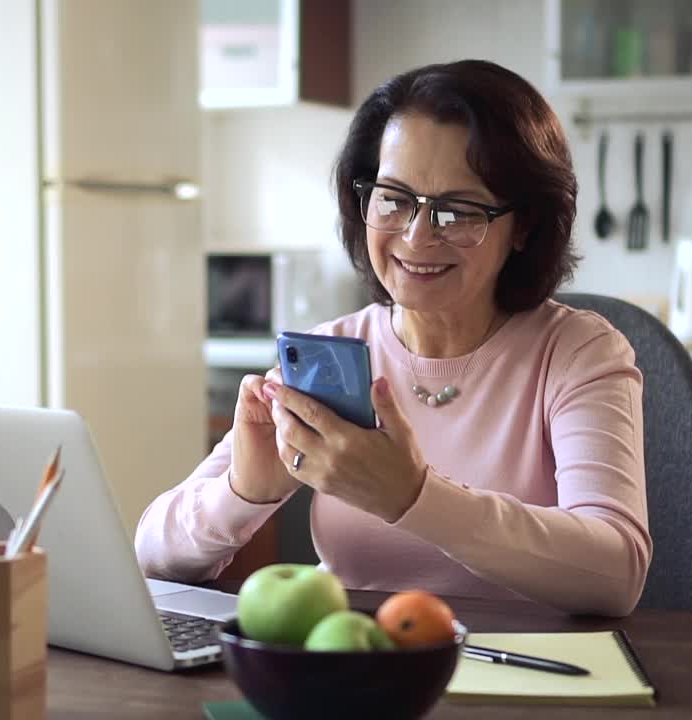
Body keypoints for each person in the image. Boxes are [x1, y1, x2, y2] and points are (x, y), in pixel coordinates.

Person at [135, 60, 651, 617]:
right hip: (361, 667)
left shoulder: (577, 353)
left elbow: (615, 573)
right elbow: (150, 554)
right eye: (394, 198)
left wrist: (413, 498)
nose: (415, 236)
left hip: (532, 674)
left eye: (457, 211)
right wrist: (243, 491)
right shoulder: (329, 354)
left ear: (523, 225)